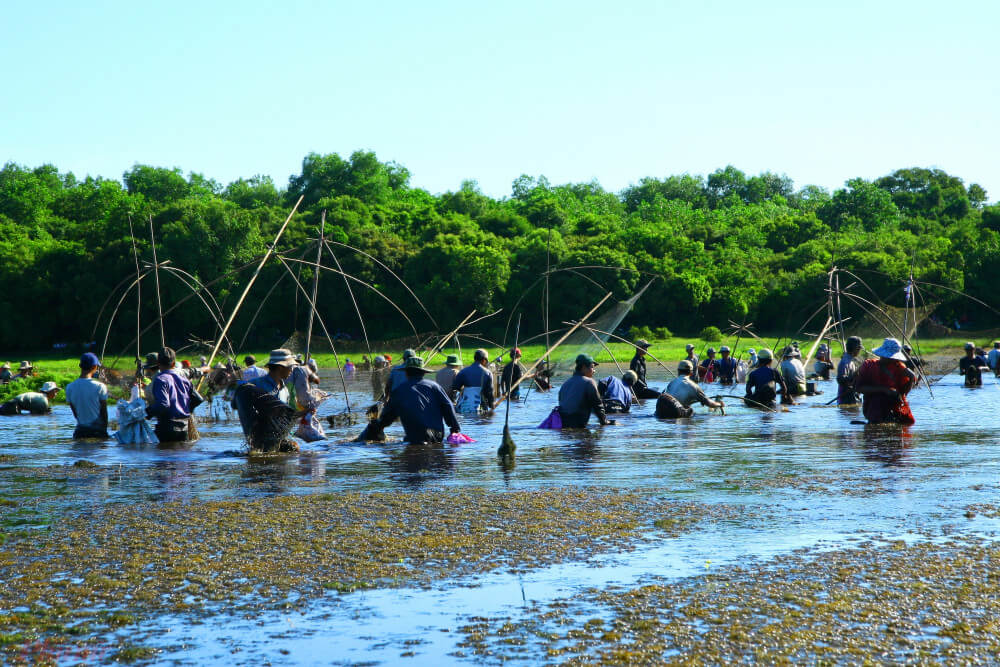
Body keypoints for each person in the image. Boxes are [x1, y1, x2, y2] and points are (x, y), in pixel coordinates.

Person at [373, 356, 461, 443]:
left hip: (414, 437)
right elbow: (448, 406)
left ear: (406, 373)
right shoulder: (435, 387)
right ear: (423, 373)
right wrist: (454, 429)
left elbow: (388, 415)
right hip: (437, 435)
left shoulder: (399, 391)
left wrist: (378, 427)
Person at [234, 348, 299, 452]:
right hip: (261, 439)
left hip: (277, 438)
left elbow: (282, 416)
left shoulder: (285, 390)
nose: (292, 370)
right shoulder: (256, 385)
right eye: (290, 367)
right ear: (280, 367)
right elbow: (237, 397)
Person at [856, 338, 916, 424]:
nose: (893, 359)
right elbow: (859, 388)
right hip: (874, 408)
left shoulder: (898, 366)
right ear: (882, 355)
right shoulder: (869, 366)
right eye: (890, 357)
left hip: (894, 407)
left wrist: (911, 379)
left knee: (908, 423)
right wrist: (884, 390)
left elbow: (903, 393)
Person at [146, 347, 199, 442]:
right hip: (184, 427)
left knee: (164, 453)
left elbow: (163, 405)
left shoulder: (160, 379)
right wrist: (186, 409)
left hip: (167, 427)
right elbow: (198, 399)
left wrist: (146, 413)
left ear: (158, 364)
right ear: (174, 364)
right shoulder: (184, 379)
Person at [557, 354, 615, 428]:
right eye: (592, 367)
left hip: (562, 425)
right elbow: (598, 405)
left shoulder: (565, 384)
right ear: (584, 367)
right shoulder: (589, 382)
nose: (594, 371)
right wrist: (604, 421)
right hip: (578, 425)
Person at [65, 352, 109, 438]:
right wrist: (104, 432)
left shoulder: (69, 387)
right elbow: (104, 413)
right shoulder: (100, 386)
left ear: (80, 366)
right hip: (97, 431)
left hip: (80, 431)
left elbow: (76, 414)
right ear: (94, 367)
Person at [288, 356, 328, 441]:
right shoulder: (302, 369)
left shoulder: (284, 373)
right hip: (299, 403)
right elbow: (317, 380)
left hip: (290, 405)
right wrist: (308, 371)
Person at [453, 348, 495, 413]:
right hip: (480, 408)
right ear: (484, 360)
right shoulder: (488, 373)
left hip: (464, 408)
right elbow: (489, 392)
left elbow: (455, 389)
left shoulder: (463, 372)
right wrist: (491, 405)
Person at [837, 336, 863, 405]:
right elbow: (840, 379)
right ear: (855, 349)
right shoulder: (845, 362)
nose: (859, 351)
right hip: (845, 399)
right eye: (859, 349)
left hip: (851, 397)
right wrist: (854, 376)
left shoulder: (851, 360)